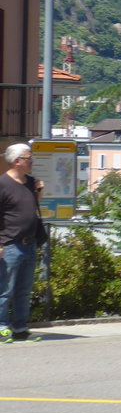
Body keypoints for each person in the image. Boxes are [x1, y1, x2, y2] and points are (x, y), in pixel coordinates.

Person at [0, 143, 47, 343]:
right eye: (29, 158)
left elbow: (32, 209)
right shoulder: (2, 184)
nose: (32, 161)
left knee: (23, 291)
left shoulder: (30, 183)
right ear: (17, 161)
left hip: (29, 244)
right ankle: (2, 328)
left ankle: (20, 328)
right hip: (9, 245)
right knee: (4, 290)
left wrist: (39, 193)